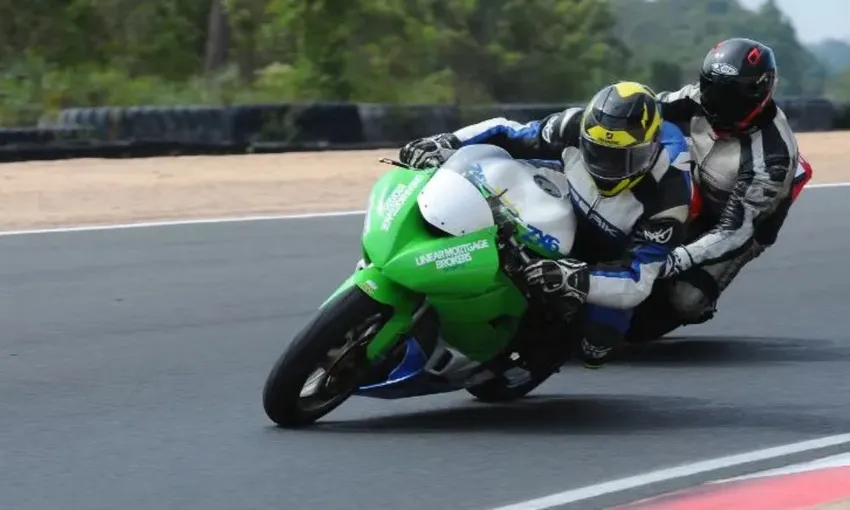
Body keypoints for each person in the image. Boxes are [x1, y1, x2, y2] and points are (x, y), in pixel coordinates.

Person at [397, 81, 694, 367]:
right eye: (598, 153)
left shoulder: (669, 198)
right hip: (560, 203)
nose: (607, 167)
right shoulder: (573, 125)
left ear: (651, 149)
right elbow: (507, 132)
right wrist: (447, 141)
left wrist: (576, 279)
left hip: (608, 254)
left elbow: (636, 280)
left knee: (596, 346)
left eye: (622, 159)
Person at [624, 37, 814, 343]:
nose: (716, 101)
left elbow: (734, 232)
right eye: (711, 88)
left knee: (686, 300)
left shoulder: (773, 155)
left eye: (731, 95)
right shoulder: (700, 97)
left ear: (759, 93)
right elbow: (647, 109)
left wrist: (674, 261)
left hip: (740, 223)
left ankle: (689, 305)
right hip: (698, 185)